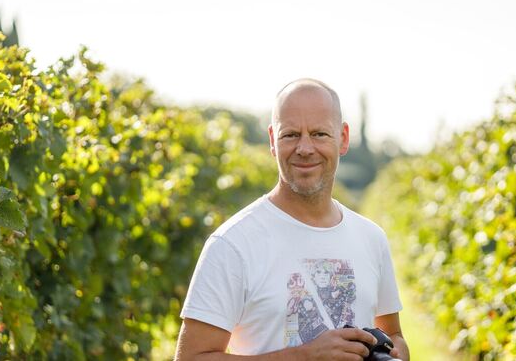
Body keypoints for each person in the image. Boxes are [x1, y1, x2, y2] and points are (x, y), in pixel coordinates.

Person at [175, 79, 410, 361]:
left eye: (320, 133)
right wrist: (305, 356)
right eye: (291, 135)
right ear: (273, 140)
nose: (305, 148)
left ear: (344, 138)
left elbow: (394, 335)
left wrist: (394, 354)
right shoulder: (231, 244)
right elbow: (190, 357)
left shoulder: (372, 238)